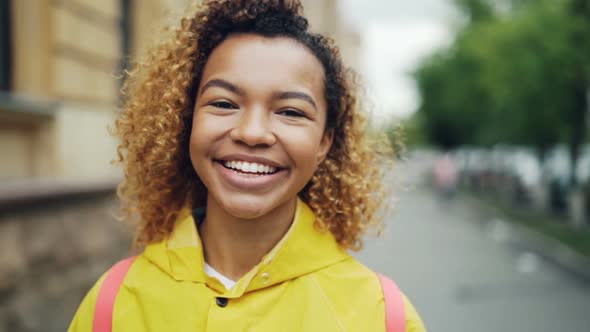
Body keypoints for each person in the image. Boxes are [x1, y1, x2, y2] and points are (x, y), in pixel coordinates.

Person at [68, 0, 427, 331]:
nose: (253, 133)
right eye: (224, 103)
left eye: (290, 112)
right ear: (186, 120)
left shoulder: (383, 316)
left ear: (324, 142)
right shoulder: (111, 305)